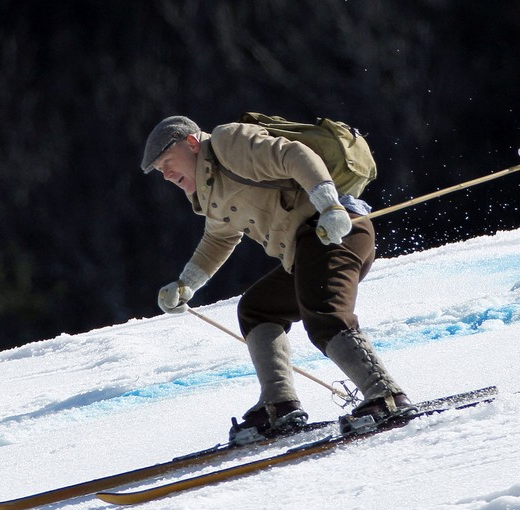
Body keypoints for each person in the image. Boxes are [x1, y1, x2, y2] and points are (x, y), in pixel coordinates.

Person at [141, 115, 412, 443]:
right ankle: (279, 406)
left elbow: (295, 155)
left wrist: (330, 206)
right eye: (160, 170)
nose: (167, 174)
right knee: (258, 309)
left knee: (324, 312)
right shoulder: (209, 192)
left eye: (168, 162)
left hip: (337, 230)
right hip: (308, 248)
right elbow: (219, 238)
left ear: (193, 144)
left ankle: (387, 398)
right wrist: (187, 284)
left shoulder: (228, 143)